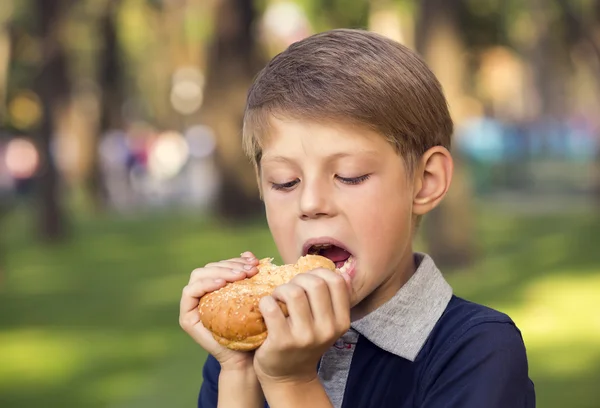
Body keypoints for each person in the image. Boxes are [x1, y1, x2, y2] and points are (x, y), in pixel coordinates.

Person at [179, 28, 536, 408]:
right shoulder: (243, 354)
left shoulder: (478, 349)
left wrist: (291, 382)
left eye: (349, 175)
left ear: (425, 182)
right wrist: (237, 370)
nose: (311, 202)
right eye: (285, 182)